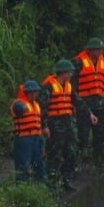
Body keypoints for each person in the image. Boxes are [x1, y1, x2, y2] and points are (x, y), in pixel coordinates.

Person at [74, 38, 104, 168]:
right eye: (99, 49)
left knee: (100, 135)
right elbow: (72, 87)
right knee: (83, 136)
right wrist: (74, 104)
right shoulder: (78, 62)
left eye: (101, 49)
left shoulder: (102, 62)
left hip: (100, 104)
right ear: (91, 50)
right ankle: (76, 164)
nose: (101, 52)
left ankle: (99, 162)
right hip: (85, 105)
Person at [41, 59, 79, 191]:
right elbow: (43, 108)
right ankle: (52, 185)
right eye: (69, 72)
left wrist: (89, 114)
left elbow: (77, 101)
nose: (71, 75)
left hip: (67, 124)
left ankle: (66, 180)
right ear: (62, 73)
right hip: (55, 125)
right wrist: (44, 126)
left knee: (72, 153)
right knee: (54, 155)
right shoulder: (49, 87)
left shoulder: (68, 86)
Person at [11, 80, 48, 185]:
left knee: (39, 164)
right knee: (23, 166)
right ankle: (21, 190)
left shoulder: (36, 105)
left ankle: (42, 188)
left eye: (35, 92)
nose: (33, 94)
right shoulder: (18, 103)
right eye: (30, 92)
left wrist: (42, 144)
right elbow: (17, 109)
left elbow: (38, 125)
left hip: (36, 138)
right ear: (26, 92)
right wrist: (22, 109)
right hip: (23, 139)